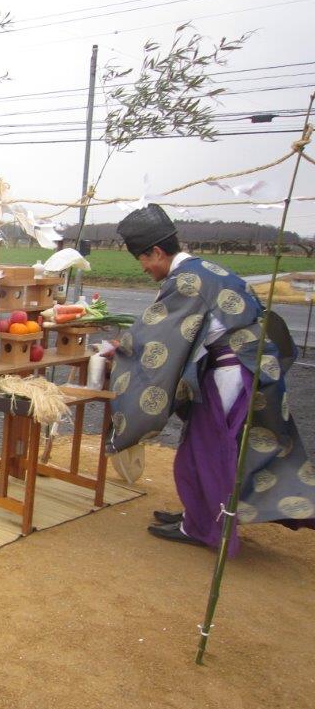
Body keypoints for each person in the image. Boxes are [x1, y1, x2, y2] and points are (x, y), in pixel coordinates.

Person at [106, 204, 313, 553]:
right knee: (206, 448)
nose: (143, 268)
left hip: (231, 372)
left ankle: (201, 528)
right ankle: (198, 515)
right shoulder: (207, 269)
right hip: (251, 366)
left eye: (142, 259)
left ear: (156, 251)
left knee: (205, 453)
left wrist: (123, 349)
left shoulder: (185, 282)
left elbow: (158, 338)